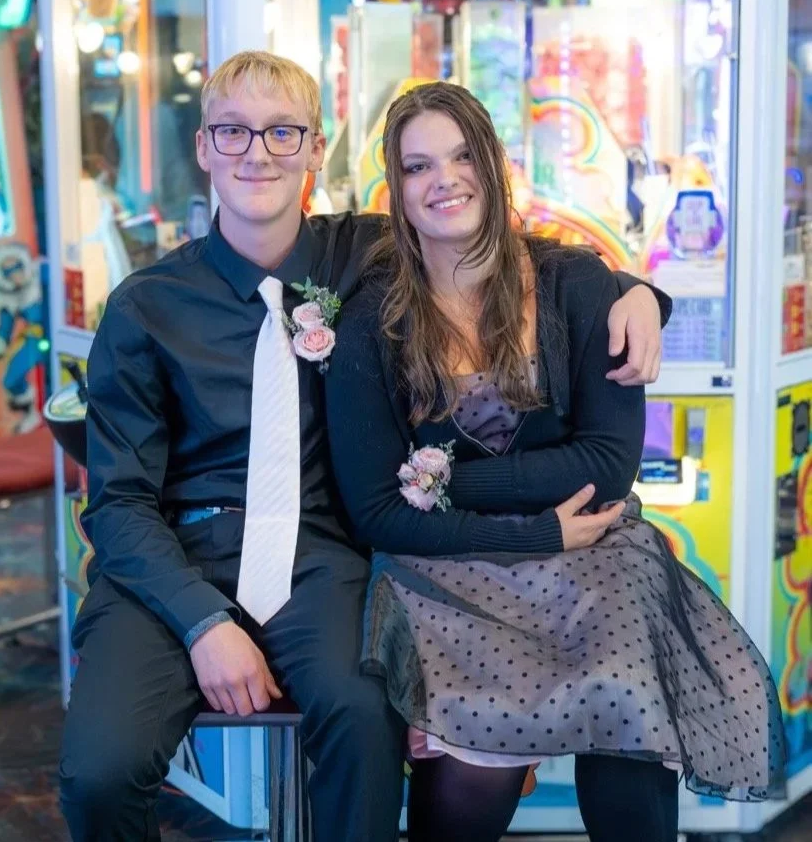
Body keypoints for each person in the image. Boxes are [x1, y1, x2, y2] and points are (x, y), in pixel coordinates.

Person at [59, 52, 669, 842]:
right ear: (204, 148)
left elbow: (498, 242)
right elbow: (118, 501)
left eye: (283, 132)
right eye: (233, 132)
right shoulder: (144, 307)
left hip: (321, 552)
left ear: (316, 150)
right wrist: (202, 621)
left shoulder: (368, 252)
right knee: (97, 773)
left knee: (363, 721)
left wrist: (635, 292)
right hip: (173, 558)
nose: (258, 152)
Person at [324, 81, 787, 842]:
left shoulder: (574, 282)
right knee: (477, 761)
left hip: (595, 555)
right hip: (448, 569)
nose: (444, 179)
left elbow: (606, 466)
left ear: (493, 164)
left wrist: (434, 478)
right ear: (394, 188)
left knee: (628, 709)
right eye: (417, 166)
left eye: (462, 154)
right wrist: (531, 528)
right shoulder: (375, 319)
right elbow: (375, 510)